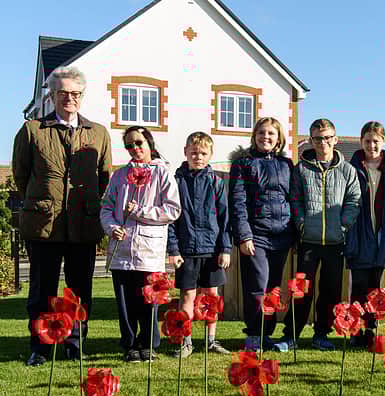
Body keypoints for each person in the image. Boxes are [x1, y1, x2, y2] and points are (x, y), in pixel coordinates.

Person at [13, 66, 111, 366]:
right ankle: (40, 348)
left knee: (79, 290)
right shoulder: (33, 130)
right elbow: (21, 174)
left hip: (83, 224)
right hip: (44, 224)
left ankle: (74, 344)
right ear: (53, 95)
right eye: (63, 93)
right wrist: (45, 198)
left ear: (82, 95)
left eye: (75, 93)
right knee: (42, 290)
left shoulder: (98, 133)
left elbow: (104, 177)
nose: (70, 98)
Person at [278, 118, 361, 351]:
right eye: (317, 138)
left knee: (330, 291)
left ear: (335, 139)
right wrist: (301, 224)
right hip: (308, 241)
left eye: (326, 138)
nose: (322, 142)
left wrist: (343, 225)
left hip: (335, 242)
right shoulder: (301, 169)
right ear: (311, 140)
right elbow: (295, 199)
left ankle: (321, 335)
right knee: (301, 291)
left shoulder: (347, 170)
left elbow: (354, 200)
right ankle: (291, 335)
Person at [100, 126, 181, 362]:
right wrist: (111, 227)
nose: (134, 149)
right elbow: (106, 208)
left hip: (149, 251)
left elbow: (172, 210)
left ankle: (148, 344)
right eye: (129, 145)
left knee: (148, 301)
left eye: (138, 143)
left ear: (149, 144)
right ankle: (129, 344)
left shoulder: (162, 174)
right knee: (126, 304)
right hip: (121, 250)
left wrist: (140, 211)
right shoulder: (119, 176)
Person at [229, 117, 295, 352]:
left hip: (282, 236)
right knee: (257, 286)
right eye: (261, 133)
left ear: (278, 139)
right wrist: (244, 236)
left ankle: (267, 334)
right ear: (254, 136)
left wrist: (294, 232)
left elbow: (293, 198)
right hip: (255, 235)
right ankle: (254, 334)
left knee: (272, 289)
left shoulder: (286, 165)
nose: (265, 137)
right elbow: (237, 201)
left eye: (271, 134)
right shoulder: (243, 164)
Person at [167, 132, 232, 358]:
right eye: (194, 153)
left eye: (203, 153)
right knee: (187, 296)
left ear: (210, 155)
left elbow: (224, 218)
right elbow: (171, 219)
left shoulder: (216, 182)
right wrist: (173, 249)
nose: (198, 157)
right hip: (187, 251)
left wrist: (225, 249)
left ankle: (211, 340)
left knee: (211, 296)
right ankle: (186, 342)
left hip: (212, 250)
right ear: (185, 152)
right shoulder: (176, 182)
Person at [344, 121, 385, 347]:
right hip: (359, 233)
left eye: (376, 141)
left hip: (382, 233)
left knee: (375, 286)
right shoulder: (351, 168)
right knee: (358, 285)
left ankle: (370, 329)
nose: (372, 145)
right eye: (367, 141)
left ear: (384, 141)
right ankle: (355, 329)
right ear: (361, 142)